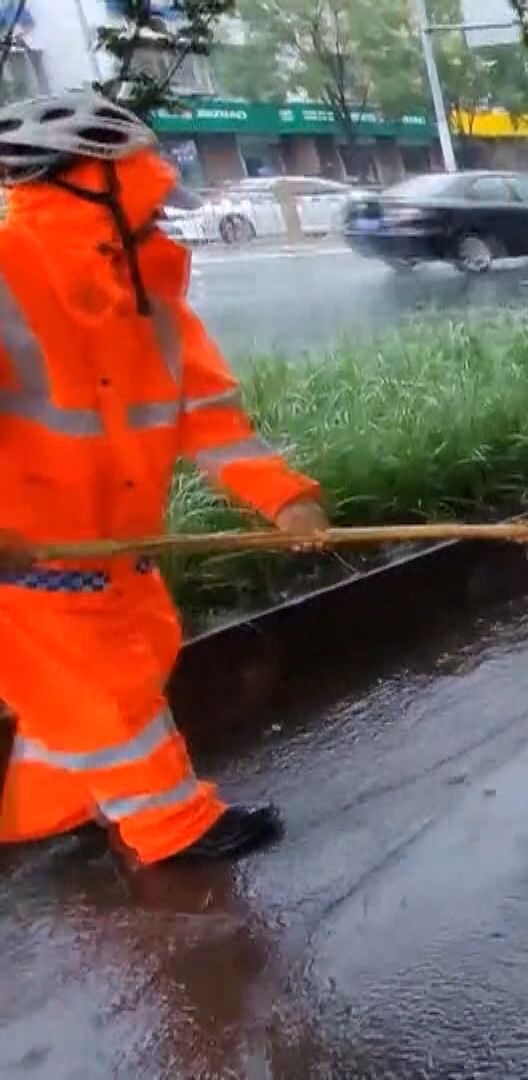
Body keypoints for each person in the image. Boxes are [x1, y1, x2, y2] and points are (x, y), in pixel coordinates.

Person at [0, 93, 329, 867]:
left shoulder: (145, 291)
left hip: (116, 551)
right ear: (86, 187)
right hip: (31, 563)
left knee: (128, 662)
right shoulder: (10, 280)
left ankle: (57, 807)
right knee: (110, 694)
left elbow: (207, 413)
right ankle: (171, 828)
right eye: (139, 185)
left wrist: (284, 497)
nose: (162, 203)